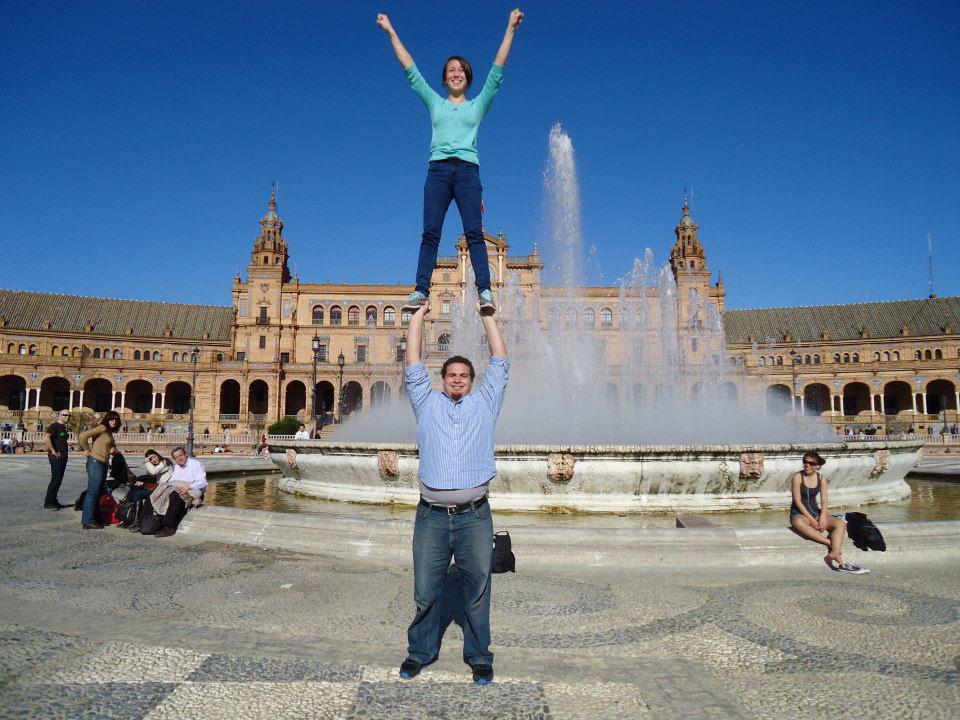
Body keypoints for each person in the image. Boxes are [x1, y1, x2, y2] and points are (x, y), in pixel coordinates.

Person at [376, 9, 524, 315]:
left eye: (461, 70)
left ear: (467, 77)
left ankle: (484, 289)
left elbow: (497, 70)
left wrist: (510, 28)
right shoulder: (435, 102)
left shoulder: (478, 105)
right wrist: (391, 31)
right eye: (451, 70)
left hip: (468, 171)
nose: (456, 73)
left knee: (474, 232)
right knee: (430, 232)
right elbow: (411, 71)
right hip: (438, 171)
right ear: (445, 79)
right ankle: (421, 290)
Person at [399, 299, 508, 685]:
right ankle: (420, 652)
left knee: (477, 590)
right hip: (430, 515)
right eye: (452, 375)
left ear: (473, 381)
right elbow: (412, 363)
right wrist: (415, 317)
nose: (458, 379)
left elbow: (500, 361)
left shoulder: (485, 405)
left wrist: (488, 318)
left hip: (475, 516)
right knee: (425, 590)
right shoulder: (426, 404)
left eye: (464, 375)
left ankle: (479, 656)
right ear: (442, 379)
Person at [789, 451, 862, 573]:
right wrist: (811, 520)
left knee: (840, 523)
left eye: (811, 463)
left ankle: (834, 552)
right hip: (799, 513)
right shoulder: (797, 476)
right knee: (797, 522)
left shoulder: (821, 478)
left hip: (816, 513)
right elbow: (797, 501)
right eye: (805, 462)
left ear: (817, 465)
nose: (807, 465)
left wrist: (822, 517)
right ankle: (830, 542)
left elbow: (824, 500)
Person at [77, 410, 121, 529]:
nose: (114, 421)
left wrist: (112, 450)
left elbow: (109, 445)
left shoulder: (109, 432)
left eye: (116, 419)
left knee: (98, 492)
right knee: (93, 492)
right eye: (112, 419)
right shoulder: (102, 427)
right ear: (107, 419)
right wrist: (86, 449)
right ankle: (87, 520)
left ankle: (94, 518)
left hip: (103, 463)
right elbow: (83, 436)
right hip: (95, 462)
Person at [149, 446, 206, 538]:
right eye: (176, 457)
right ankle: (153, 521)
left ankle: (169, 527)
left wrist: (188, 487)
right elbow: (173, 481)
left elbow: (203, 482)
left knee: (174, 495)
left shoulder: (196, 464)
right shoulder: (177, 467)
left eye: (181, 455)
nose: (179, 458)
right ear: (174, 459)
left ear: (185, 454)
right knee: (161, 493)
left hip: (194, 492)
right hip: (179, 490)